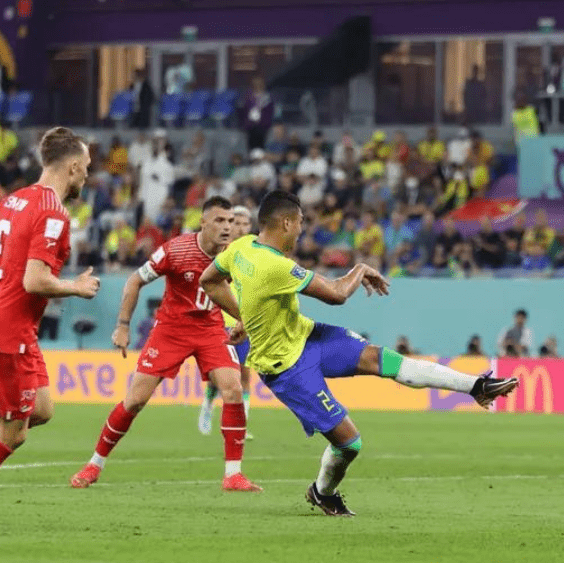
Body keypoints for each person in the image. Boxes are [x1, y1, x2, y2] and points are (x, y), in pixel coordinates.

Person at [199, 191, 519, 516]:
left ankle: (476, 386)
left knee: (386, 360)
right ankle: (323, 492)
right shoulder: (276, 266)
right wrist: (360, 269)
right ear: (285, 222)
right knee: (350, 444)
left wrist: (242, 317)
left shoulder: (241, 248)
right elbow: (337, 294)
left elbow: (209, 280)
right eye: (299, 223)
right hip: (287, 369)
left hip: (308, 337)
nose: (300, 230)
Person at [0, 127, 100, 525]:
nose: (87, 176)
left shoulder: (12, 200)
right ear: (73, 167)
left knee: (40, 408)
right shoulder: (53, 212)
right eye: (86, 168)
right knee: (12, 434)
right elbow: (34, 281)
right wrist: (76, 287)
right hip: (9, 330)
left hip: (5, 323)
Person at [69, 197, 260, 493]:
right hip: (171, 329)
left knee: (233, 387)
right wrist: (122, 326)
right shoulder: (176, 249)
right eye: (220, 221)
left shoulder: (236, 256)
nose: (227, 227)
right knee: (135, 400)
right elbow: (134, 280)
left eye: (231, 222)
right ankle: (94, 464)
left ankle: (233, 474)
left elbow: (244, 293)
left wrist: (244, 320)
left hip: (210, 328)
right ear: (204, 223)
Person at [199, 205, 255, 438]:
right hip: (220, 319)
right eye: (236, 223)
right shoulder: (221, 251)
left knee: (245, 375)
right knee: (220, 376)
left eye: (245, 223)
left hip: (246, 319)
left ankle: (242, 425)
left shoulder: (255, 249)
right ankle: (207, 407)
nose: (240, 228)